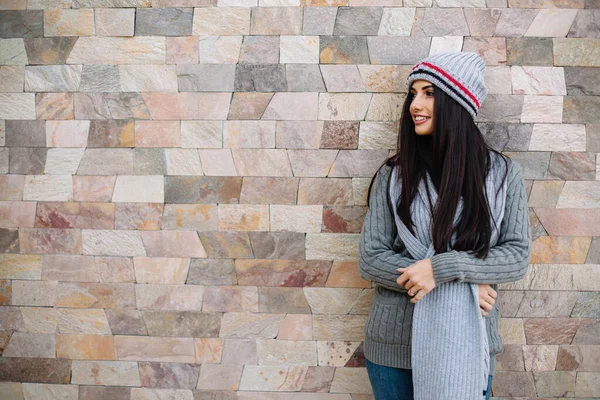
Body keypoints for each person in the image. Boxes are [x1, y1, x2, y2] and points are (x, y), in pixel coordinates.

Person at [359, 52, 532, 400]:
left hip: (468, 343)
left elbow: (515, 255)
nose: (415, 104)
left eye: (429, 93)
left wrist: (443, 270)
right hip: (394, 350)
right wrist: (465, 287)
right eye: (413, 93)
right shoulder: (393, 175)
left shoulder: (501, 176)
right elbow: (371, 257)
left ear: (457, 103)